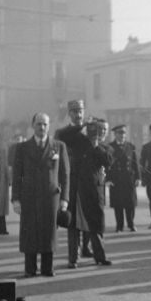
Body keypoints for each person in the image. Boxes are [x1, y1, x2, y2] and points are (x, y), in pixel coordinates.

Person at [12, 113, 70, 277]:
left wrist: (64, 199)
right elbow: (16, 175)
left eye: (45, 124)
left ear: (49, 125)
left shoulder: (58, 146)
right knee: (29, 232)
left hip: (50, 198)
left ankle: (47, 268)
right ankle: (30, 269)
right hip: (28, 197)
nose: (42, 127)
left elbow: (65, 175)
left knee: (48, 232)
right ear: (33, 126)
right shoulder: (22, 148)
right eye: (38, 124)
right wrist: (16, 199)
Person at [55, 99, 91, 269]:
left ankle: (86, 248)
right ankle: (73, 257)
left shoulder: (90, 129)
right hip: (72, 182)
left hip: (89, 182)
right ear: (69, 114)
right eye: (74, 111)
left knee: (89, 217)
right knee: (73, 221)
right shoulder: (62, 132)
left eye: (80, 111)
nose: (78, 114)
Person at [76, 119, 113, 265]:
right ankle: (91, 251)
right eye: (99, 129)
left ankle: (98, 254)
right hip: (82, 188)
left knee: (97, 221)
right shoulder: (82, 145)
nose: (101, 132)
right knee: (88, 222)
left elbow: (108, 161)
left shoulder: (105, 147)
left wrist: (96, 146)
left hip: (97, 190)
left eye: (104, 130)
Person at [107, 124, 140, 232]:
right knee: (118, 205)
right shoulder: (110, 147)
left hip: (129, 179)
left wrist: (138, 178)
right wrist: (108, 179)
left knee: (130, 204)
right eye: (119, 133)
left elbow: (135, 163)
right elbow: (107, 165)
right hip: (116, 180)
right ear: (115, 134)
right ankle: (119, 225)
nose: (122, 135)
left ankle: (131, 224)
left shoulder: (130, 146)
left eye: (124, 133)